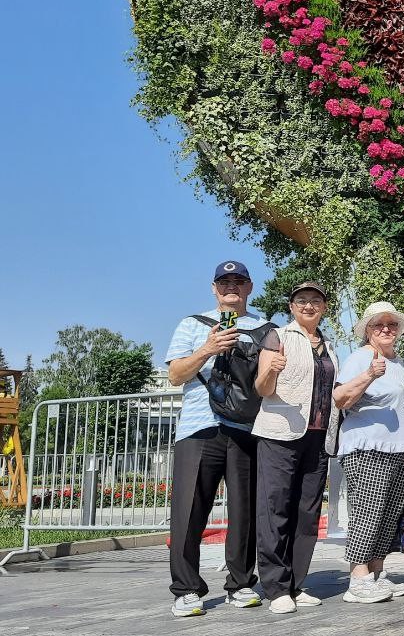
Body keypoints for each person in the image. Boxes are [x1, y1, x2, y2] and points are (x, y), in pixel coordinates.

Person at [165, 261, 267, 617]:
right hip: (198, 428)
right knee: (189, 511)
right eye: (225, 281)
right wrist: (207, 349)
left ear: (250, 287)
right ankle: (186, 589)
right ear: (213, 287)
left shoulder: (264, 327)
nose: (232, 287)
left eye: (239, 281)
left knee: (245, 512)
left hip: (245, 429)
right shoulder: (192, 324)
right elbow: (175, 375)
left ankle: (240, 584)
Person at [252, 281, 339, 613]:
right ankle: (275, 587)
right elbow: (262, 389)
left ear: (324, 307)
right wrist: (270, 371)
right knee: (275, 508)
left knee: (307, 512)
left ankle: (296, 582)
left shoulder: (329, 346)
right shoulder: (279, 337)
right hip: (280, 434)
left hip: (317, 437)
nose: (308, 305)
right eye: (301, 300)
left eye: (315, 300)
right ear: (291, 306)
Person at [333, 301, 404, 604]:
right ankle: (357, 579)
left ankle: (376, 573)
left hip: (399, 449)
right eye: (378, 325)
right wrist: (368, 375)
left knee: (388, 515)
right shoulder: (361, 357)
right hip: (368, 446)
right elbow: (340, 398)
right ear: (367, 330)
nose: (386, 329)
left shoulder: (400, 362)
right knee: (368, 512)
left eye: (391, 324)